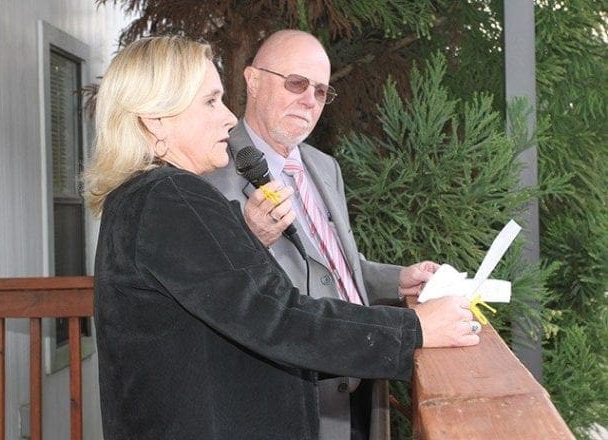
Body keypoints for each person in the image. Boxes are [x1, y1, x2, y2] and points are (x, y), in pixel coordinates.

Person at [84, 35, 480, 440]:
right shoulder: (172, 196)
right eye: (210, 101)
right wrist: (413, 328)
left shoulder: (142, 196)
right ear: (155, 118)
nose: (227, 117)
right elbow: (278, 315)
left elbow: (226, 305)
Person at [203, 29, 452, 440]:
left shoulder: (323, 166)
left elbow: (334, 267)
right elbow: (222, 289)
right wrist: (248, 234)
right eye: (297, 83)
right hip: (290, 400)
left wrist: (397, 279)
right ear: (252, 79)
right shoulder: (210, 170)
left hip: (362, 387)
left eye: (320, 91)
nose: (309, 100)